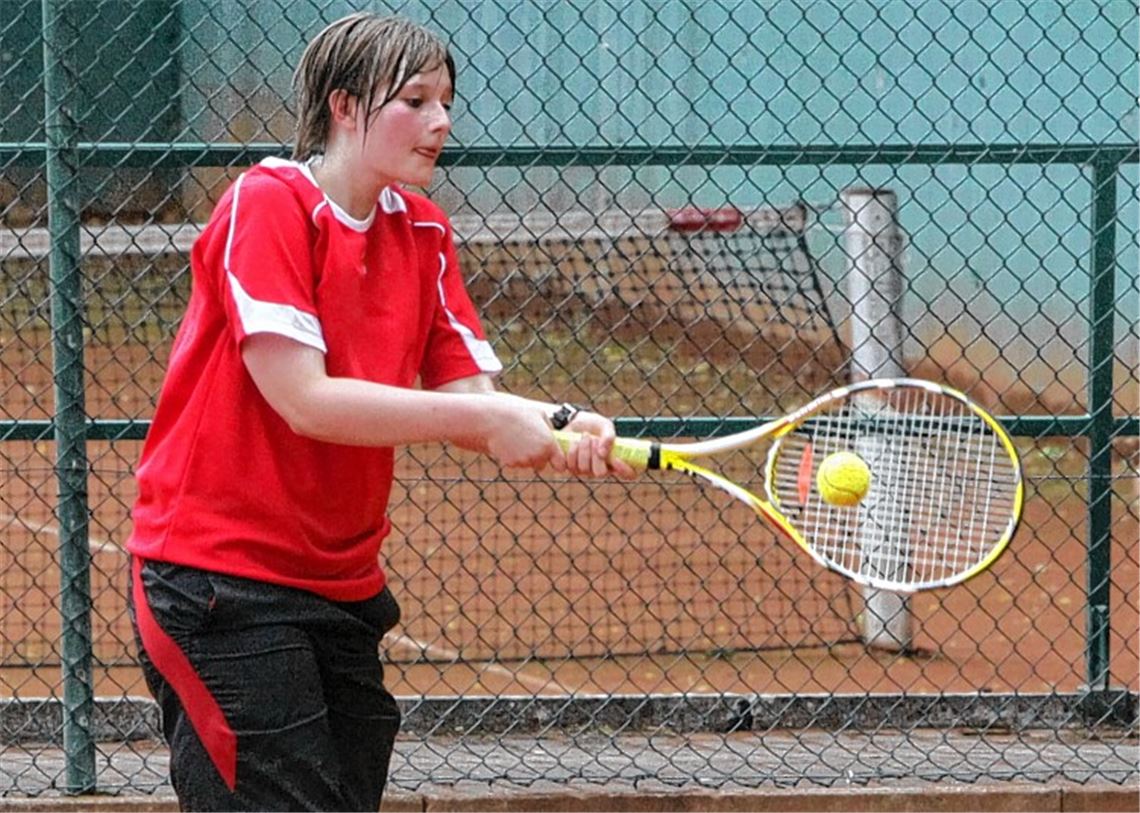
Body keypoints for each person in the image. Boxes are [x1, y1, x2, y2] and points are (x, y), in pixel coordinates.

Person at [126, 12, 634, 811]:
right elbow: (304, 398)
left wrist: (562, 420)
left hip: (340, 587)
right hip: (217, 582)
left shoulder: (423, 232)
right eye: (416, 100)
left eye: (447, 100)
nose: (441, 121)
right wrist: (483, 423)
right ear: (345, 106)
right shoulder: (267, 203)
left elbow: (474, 394)